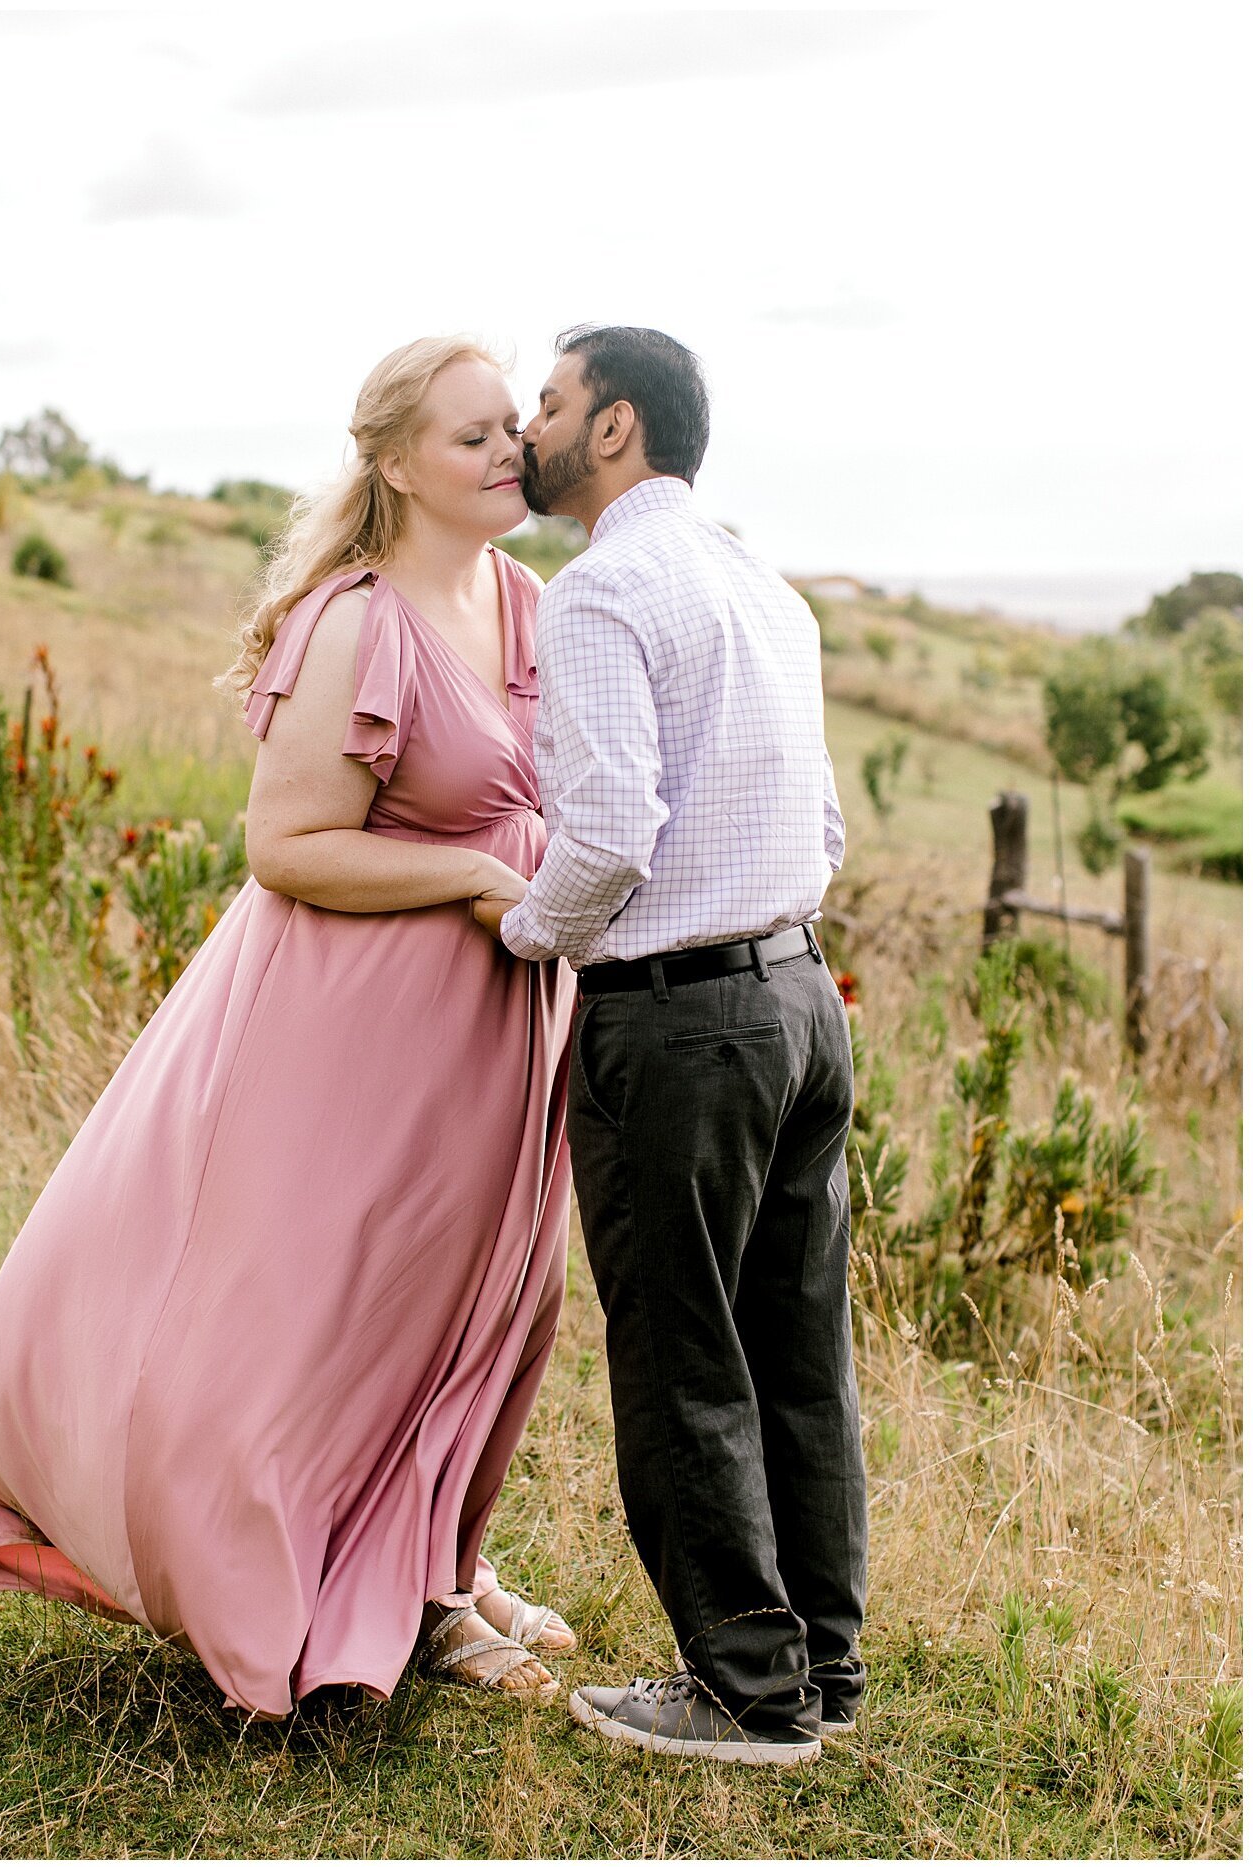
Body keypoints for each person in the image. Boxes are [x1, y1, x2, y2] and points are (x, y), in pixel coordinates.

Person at [0, 336, 580, 1717]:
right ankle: (314, 1584)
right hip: (351, 1031)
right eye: (470, 438)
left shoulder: (525, 598)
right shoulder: (353, 620)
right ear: (396, 462)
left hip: (502, 1026)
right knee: (325, 1305)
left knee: (483, 1305)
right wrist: (472, 873)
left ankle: (435, 1564)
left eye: (511, 428)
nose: (507, 452)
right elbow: (287, 844)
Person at [475, 325, 867, 1766]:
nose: (531, 427)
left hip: (681, 1021)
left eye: (554, 404)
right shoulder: (761, 584)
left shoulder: (600, 594)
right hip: (801, 1002)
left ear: (618, 428)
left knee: (683, 1355)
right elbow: (820, 827)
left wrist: (521, 933)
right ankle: (820, 1667)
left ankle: (746, 1696)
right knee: (799, 1354)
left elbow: (610, 834)